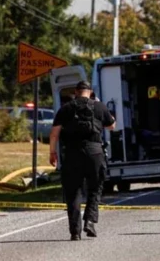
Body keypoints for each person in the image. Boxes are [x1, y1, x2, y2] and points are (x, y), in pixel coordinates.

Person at [49, 81, 116, 240]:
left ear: (76, 92)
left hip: (72, 153)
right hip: (94, 153)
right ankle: (90, 221)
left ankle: (75, 232)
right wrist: (103, 110)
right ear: (90, 92)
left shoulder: (65, 108)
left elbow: (54, 134)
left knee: (73, 192)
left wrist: (52, 152)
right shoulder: (99, 107)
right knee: (95, 188)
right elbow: (112, 125)